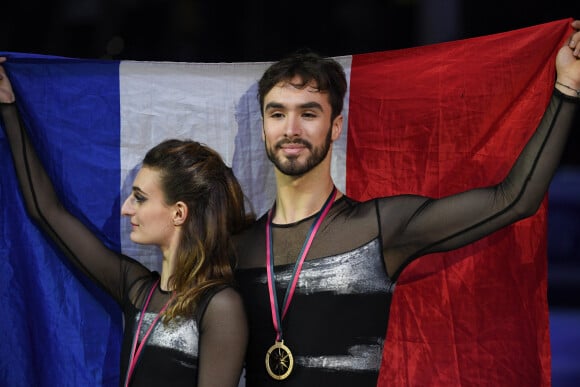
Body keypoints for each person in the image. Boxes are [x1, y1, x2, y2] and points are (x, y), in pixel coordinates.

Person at [233, 21, 580, 386]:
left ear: (335, 127)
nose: (291, 129)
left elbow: (514, 199)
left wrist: (568, 88)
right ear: (262, 128)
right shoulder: (235, 248)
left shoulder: (379, 227)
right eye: (277, 114)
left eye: (308, 113)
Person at [0, 56, 255, 387]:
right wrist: (8, 106)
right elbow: (46, 211)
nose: (125, 209)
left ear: (179, 213)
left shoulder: (220, 305)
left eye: (140, 197)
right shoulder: (138, 289)